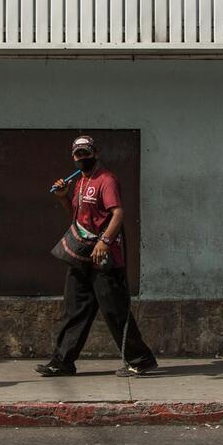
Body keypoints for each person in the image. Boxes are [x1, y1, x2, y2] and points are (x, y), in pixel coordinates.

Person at [36, 135, 158, 378]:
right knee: (75, 309)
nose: (82, 157)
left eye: (86, 153)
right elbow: (77, 216)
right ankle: (63, 361)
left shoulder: (106, 180)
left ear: (95, 153)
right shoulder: (80, 183)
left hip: (104, 257)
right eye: (78, 154)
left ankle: (140, 359)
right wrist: (63, 197)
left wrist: (105, 241)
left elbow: (118, 214)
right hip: (81, 255)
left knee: (114, 309)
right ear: (73, 156)